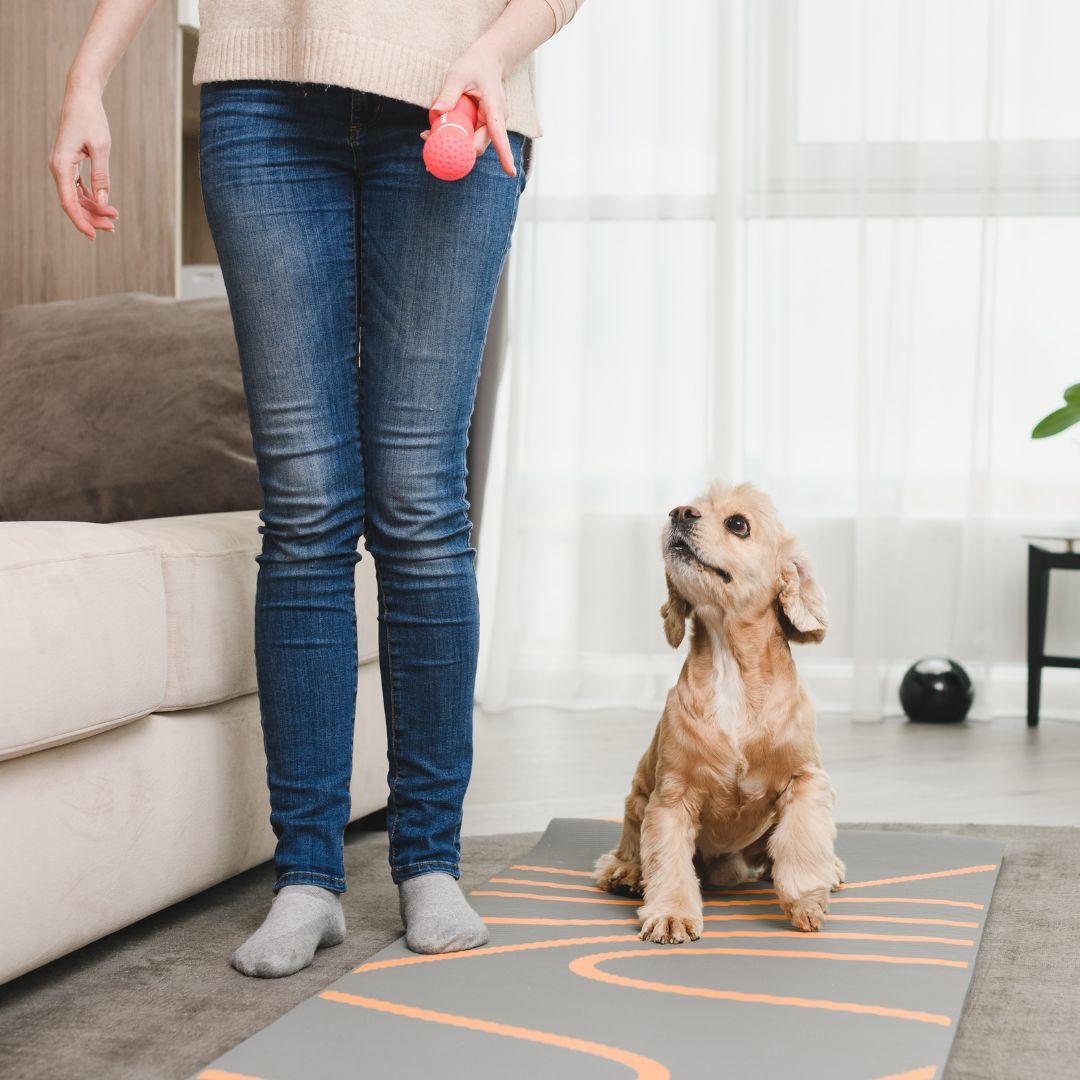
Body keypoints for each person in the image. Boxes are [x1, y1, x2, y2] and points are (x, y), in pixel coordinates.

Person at [51, 0, 582, 978]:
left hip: (450, 89)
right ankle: (306, 876)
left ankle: (429, 859)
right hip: (260, 101)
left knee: (420, 499)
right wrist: (88, 79)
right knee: (303, 506)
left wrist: (494, 50)